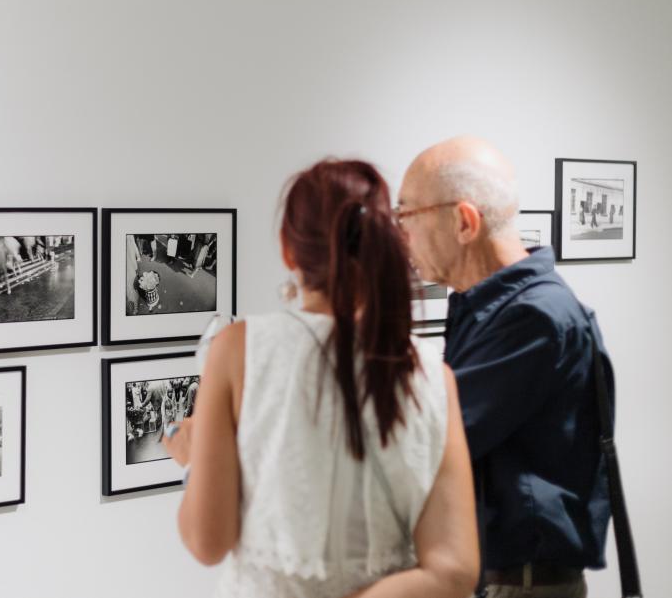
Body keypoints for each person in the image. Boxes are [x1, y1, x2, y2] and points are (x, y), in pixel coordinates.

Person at [164, 159, 478, 598]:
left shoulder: (238, 348)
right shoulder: (431, 374)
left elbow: (207, 541)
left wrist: (195, 461)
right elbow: (455, 570)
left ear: (288, 251)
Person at [398, 136, 614, 598]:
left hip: (517, 587)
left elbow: (429, 441)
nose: (401, 235)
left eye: (406, 216)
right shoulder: (495, 310)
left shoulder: (532, 318)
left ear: (462, 221)